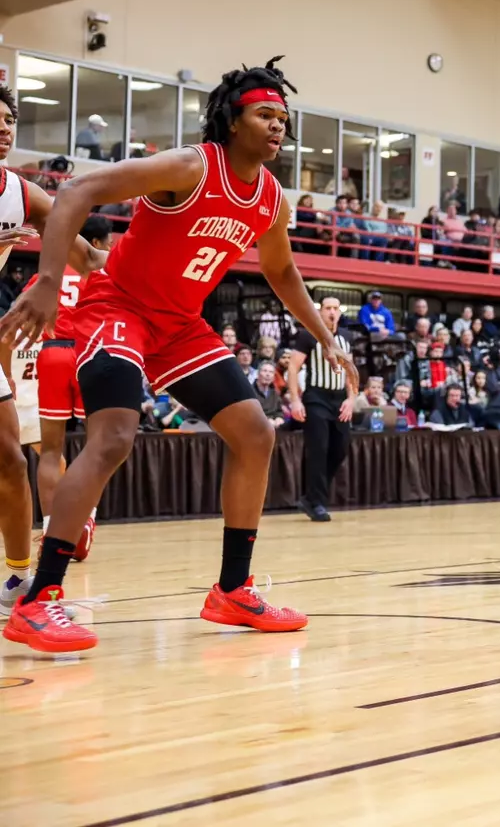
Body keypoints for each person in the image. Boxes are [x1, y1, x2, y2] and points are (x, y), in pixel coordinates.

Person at [0, 59, 356, 653]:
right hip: (118, 309)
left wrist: (323, 334)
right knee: (113, 438)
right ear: (232, 120)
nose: (277, 127)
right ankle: (40, 600)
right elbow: (80, 191)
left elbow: (282, 269)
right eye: (265, 114)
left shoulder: (270, 198)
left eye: (283, 119)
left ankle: (232, 590)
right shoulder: (191, 166)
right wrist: (45, 278)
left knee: (255, 434)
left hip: (179, 326)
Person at [23, 214, 114, 569]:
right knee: (99, 448)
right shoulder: (105, 271)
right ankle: (86, 518)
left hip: (54, 352)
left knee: (50, 451)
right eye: (108, 243)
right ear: (97, 244)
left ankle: (50, 532)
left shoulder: (45, 277)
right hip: (94, 353)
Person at [287, 296, 354, 522]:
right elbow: (293, 368)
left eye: (336, 308)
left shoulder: (346, 337)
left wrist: (352, 399)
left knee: (340, 449)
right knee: (318, 450)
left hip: (340, 399)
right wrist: (295, 400)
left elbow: (351, 371)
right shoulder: (307, 335)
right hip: (316, 397)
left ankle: (310, 497)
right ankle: (316, 502)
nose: (332, 312)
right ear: (320, 311)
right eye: (328, 308)